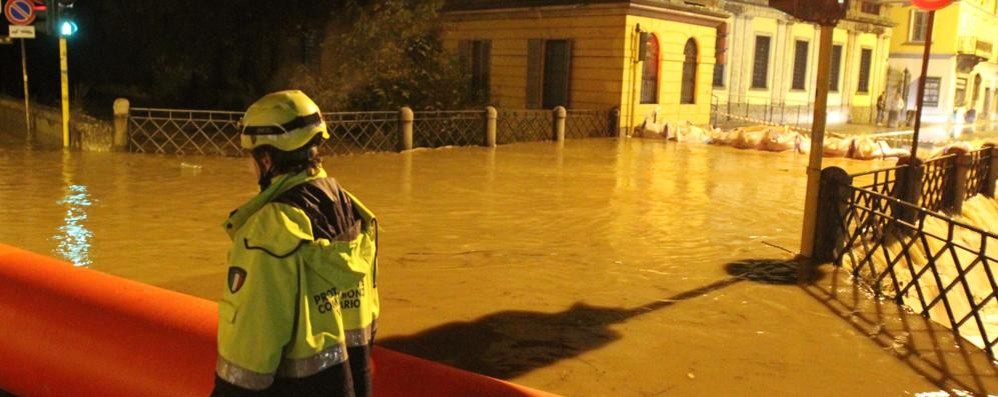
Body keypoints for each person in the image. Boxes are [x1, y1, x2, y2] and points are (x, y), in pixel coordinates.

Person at [212, 90, 379, 397]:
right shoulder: (354, 213)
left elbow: (250, 353)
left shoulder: (270, 231)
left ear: (266, 159)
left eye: (250, 157)